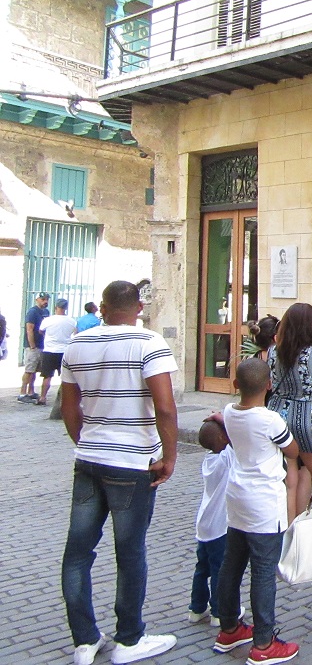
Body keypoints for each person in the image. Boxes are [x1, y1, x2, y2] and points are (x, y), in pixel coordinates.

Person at [59, 280, 178, 665]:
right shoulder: (149, 343)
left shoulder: (78, 344)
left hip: (89, 458)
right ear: (138, 309)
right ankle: (129, 639)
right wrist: (169, 456)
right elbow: (165, 407)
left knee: (78, 552)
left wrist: (87, 440)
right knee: (130, 552)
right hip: (132, 463)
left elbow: (69, 407)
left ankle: (84, 640)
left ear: (105, 308)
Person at [212, 358, 300, 664]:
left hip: (237, 498)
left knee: (232, 565)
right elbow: (292, 450)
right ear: (269, 385)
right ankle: (264, 642)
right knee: (263, 572)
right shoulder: (270, 420)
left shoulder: (228, 412)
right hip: (264, 502)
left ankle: (229, 627)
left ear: (235, 385)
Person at [266, 303, 312, 521]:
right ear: (311, 325)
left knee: (290, 479)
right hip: (311, 419)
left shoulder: (272, 351)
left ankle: (291, 527)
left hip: (278, 418)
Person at [187, 420, 235, 627]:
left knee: (202, 568)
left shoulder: (208, 460)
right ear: (222, 438)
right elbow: (238, 439)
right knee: (219, 570)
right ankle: (218, 611)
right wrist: (224, 419)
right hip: (219, 528)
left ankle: (196, 608)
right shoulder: (226, 458)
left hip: (203, 526)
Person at [39, 298, 77, 407]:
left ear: (56, 307)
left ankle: (43, 397)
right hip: (64, 351)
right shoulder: (71, 321)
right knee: (65, 377)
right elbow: (75, 332)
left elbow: (41, 331)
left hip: (49, 350)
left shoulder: (48, 320)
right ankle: (64, 399)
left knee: (47, 376)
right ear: (66, 308)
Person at [19, 291, 50, 403]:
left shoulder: (46, 312)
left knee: (35, 370)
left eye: (46, 299)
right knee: (29, 370)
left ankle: (31, 391)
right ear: (37, 300)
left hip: (42, 345)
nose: (45, 301)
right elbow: (29, 329)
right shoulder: (33, 312)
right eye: (43, 299)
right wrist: (32, 345)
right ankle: (22, 393)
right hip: (33, 346)